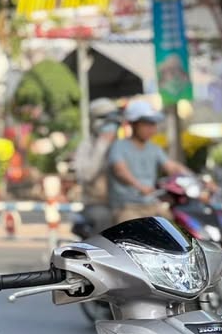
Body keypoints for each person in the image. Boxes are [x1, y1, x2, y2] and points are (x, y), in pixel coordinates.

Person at [107, 100, 193, 224]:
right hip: (127, 207)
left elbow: (171, 167)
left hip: (152, 204)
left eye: (153, 124)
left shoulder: (154, 148)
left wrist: (196, 179)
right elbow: (120, 170)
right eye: (146, 124)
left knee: (176, 227)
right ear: (133, 124)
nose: (151, 129)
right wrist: (139, 186)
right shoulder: (119, 146)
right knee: (133, 230)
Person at [74, 98, 123, 233]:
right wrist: (102, 145)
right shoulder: (87, 145)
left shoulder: (122, 145)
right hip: (97, 204)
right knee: (103, 218)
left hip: (124, 203)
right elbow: (86, 175)